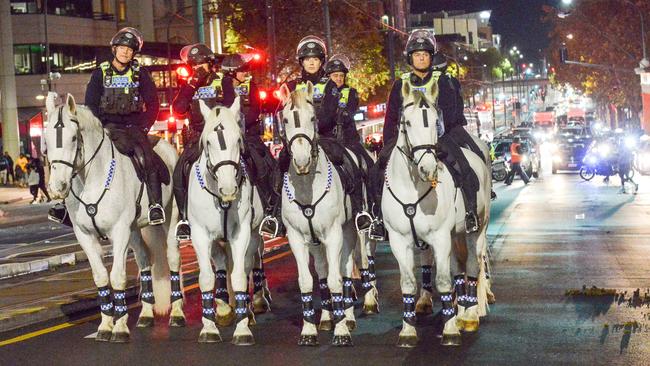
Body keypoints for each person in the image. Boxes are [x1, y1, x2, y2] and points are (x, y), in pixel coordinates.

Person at [368, 29, 485, 238]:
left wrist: (433, 134)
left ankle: (470, 212)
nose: (421, 58)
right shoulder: (400, 84)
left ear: (431, 57)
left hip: (438, 137)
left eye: (425, 54)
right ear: (410, 58)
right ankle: (377, 218)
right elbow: (391, 117)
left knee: (464, 167)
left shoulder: (441, 81)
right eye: (416, 54)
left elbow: (449, 112)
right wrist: (389, 144)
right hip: (405, 141)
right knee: (376, 171)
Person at [49, 27, 163, 226]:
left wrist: (144, 126)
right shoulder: (100, 73)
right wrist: (99, 127)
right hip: (106, 127)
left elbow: (153, 103)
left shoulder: (140, 73)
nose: (125, 52)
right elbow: (91, 104)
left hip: (133, 127)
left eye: (130, 49)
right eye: (122, 48)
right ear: (115, 49)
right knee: (76, 156)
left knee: (147, 157)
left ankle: (155, 205)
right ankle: (64, 205)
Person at [171, 43, 225, 240]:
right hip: (197, 139)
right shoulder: (189, 86)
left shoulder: (223, 80)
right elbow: (177, 109)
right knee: (179, 172)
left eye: (202, 64)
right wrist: (192, 84)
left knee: (254, 160)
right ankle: (184, 218)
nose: (198, 68)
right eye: (194, 65)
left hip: (222, 138)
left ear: (210, 64)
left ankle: (269, 210)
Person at [322, 53, 374, 231]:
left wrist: (340, 114)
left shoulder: (350, 92)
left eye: (340, 76)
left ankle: (365, 210)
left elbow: (349, 110)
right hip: (329, 139)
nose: (338, 79)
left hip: (349, 140)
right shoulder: (322, 91)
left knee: (367, 165)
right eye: (334, 75)